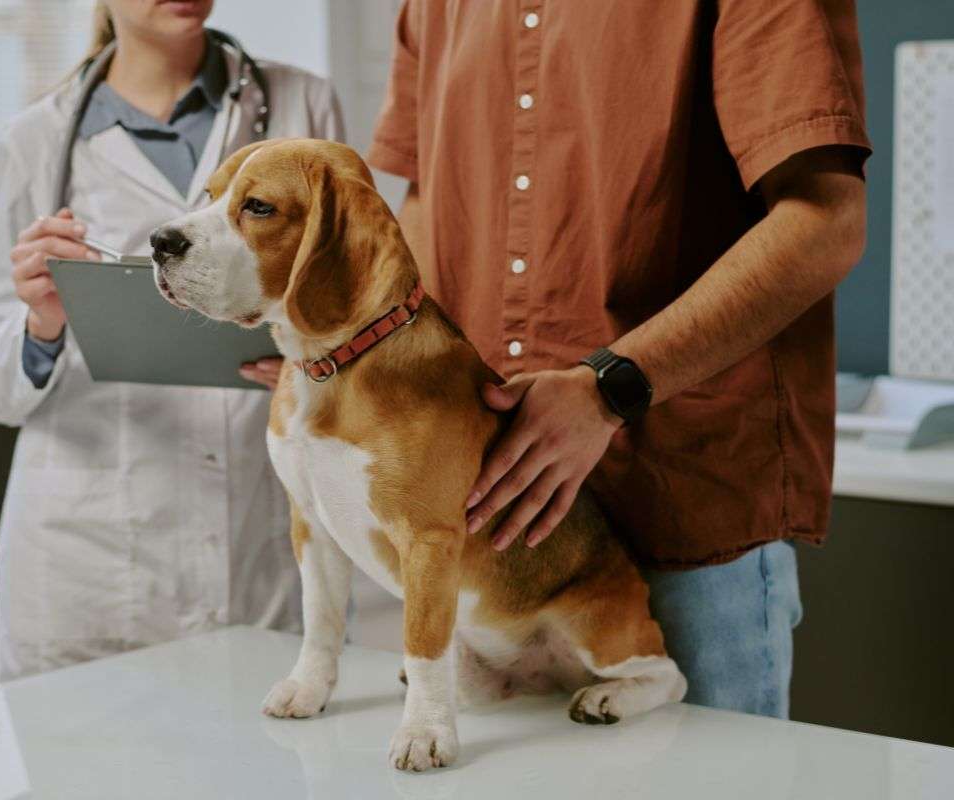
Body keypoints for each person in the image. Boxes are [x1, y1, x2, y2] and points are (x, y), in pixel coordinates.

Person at [369, 0, 869, 717]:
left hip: (683, 508)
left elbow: (826, 222)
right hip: (492, 527)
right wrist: (354, 349)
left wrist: (609, 388)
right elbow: (427, 200)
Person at [0, 0, 343, 682]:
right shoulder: (34, 140)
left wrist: (311, 358)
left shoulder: (300, 105)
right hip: (88, 566)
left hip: (255, 540)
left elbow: (354, 306)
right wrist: (42, 322)